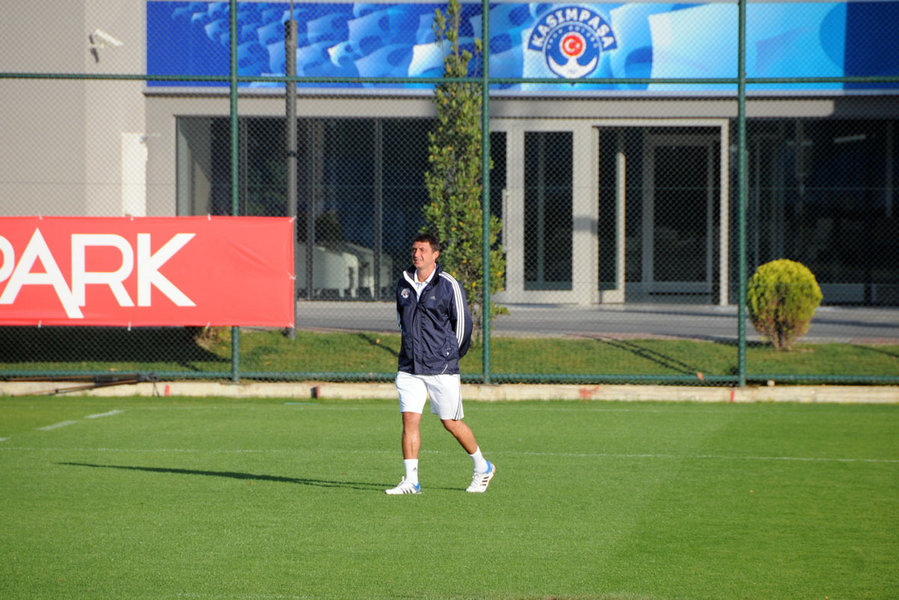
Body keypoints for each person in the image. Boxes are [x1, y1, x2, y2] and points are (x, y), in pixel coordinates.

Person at [385, 233, 496, 495]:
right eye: (414, 249)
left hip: (442, 368)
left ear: (435, 255)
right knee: (410, 420)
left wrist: (449, 356)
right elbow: (401, 319)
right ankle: (411, 481)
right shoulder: (403, 281)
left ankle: (483, 467)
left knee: (451, 423)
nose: (417, 254)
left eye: (422, 250)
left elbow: (463, 326)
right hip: (409, 366)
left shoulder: (449, 285)